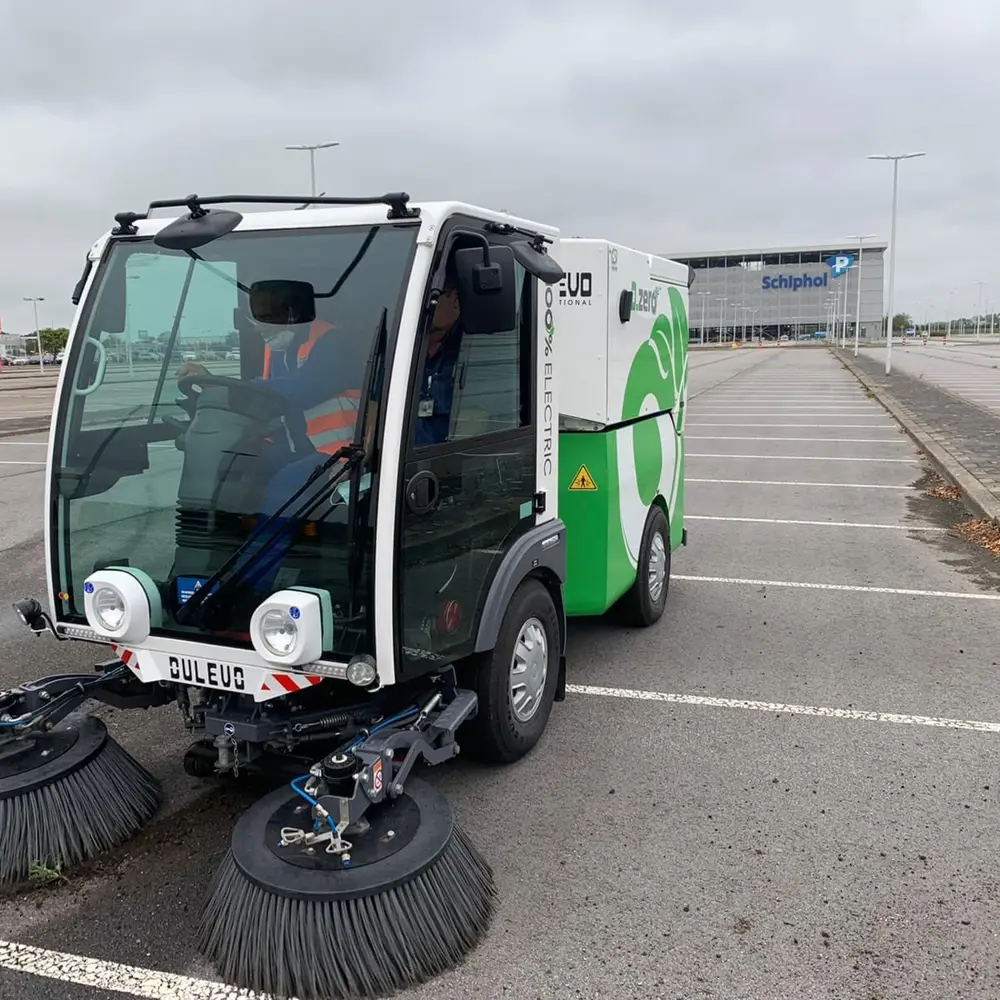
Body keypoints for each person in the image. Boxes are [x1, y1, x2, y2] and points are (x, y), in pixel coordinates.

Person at [177, 293, 360, 456]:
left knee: (276, 489)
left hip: (339, 455)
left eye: (262, 317)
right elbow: (268, 398)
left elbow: (303, 390)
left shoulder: (332, 342)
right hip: (291, 446)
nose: (258, 328)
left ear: (287, 311)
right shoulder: (278, 348)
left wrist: (226, 388)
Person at [414, 263, 464, 447]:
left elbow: (478, 418)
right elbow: (374, 409)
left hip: (444, 463)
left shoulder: (470, 350)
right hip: (398, 461)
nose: (420, 305)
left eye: (431, 297)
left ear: (456, 301)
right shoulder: (399, 349)